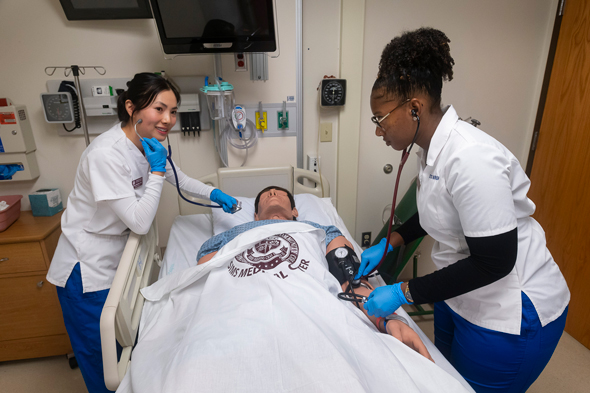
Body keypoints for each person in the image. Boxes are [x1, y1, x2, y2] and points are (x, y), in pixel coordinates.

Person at [356, 28, 570, 393]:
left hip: (510, 311)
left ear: (414, 108)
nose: (379, 131)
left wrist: (403, 291)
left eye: (380, 118)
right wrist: (392, 240)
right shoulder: (432, 151)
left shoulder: (470, 158)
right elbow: (439, 210)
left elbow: (495, 261)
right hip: (459, 294)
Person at [46, 72, 238, 393]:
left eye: (173, 111)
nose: (168, 120)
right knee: (102, 360)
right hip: (86, 269)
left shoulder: (147, 145)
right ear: (131, 107)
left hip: (118, 258)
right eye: (159, 109)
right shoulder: (105, 154)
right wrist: (158, 169)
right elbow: (139, 222)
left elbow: (178, 179)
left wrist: (212, 193)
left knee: (129, 353)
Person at [198, 186, 433, 360]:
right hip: (244, 308)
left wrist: (385, 319)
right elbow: (209, 277)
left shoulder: (319, 230)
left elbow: (349, 277)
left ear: (295, 210)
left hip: (311, 302)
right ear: (255, 217)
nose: (271, 194)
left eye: (279, 193)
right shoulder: (232, 235)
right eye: (265, 195)